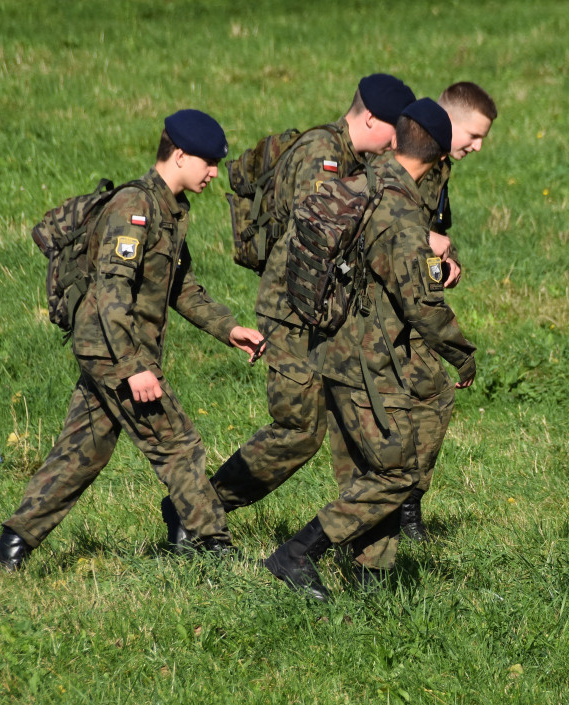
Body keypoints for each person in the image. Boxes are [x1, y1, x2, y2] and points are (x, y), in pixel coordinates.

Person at [0, 110, 264, 571]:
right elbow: (110, 293)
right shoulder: (135, 210)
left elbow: (181, 286)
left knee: (80, 454)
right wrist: (133, 367)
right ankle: (213, 545)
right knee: (178, 444)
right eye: (209, 162)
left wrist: (228, 328)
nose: (216, 173)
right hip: (115, 351)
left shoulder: (169, 210)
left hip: (112, 350)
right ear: (179, 155)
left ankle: (11, 546)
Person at [160, 74, 416, 547]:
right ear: (372, 119)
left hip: (319, 309)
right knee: (299, 429)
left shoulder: (348, 155)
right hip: (293, 311)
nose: (400, 143)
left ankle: (365, 540)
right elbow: (319, 243)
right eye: (396, 131)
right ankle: (194, 506)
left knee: (345, 421)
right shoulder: (324, 156)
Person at [263, 98, 476, 601]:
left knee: (365, 470)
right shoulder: (401, 214)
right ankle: (297, 553)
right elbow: (422, 304)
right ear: (439, 158)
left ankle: (369, 584)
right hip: (368, 362)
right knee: (396, 475)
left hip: (329, 345)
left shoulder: (361, 181)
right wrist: (462, 353)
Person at [398, 82, 497, 542]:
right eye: (473, 136)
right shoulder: (403, 155)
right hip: (376, 304)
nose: (477, 147)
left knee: (431, 399)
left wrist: (446, 259)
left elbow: (436, 230)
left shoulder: (441, 168)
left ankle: (402, 508)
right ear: (446, 121)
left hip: (408, 298)